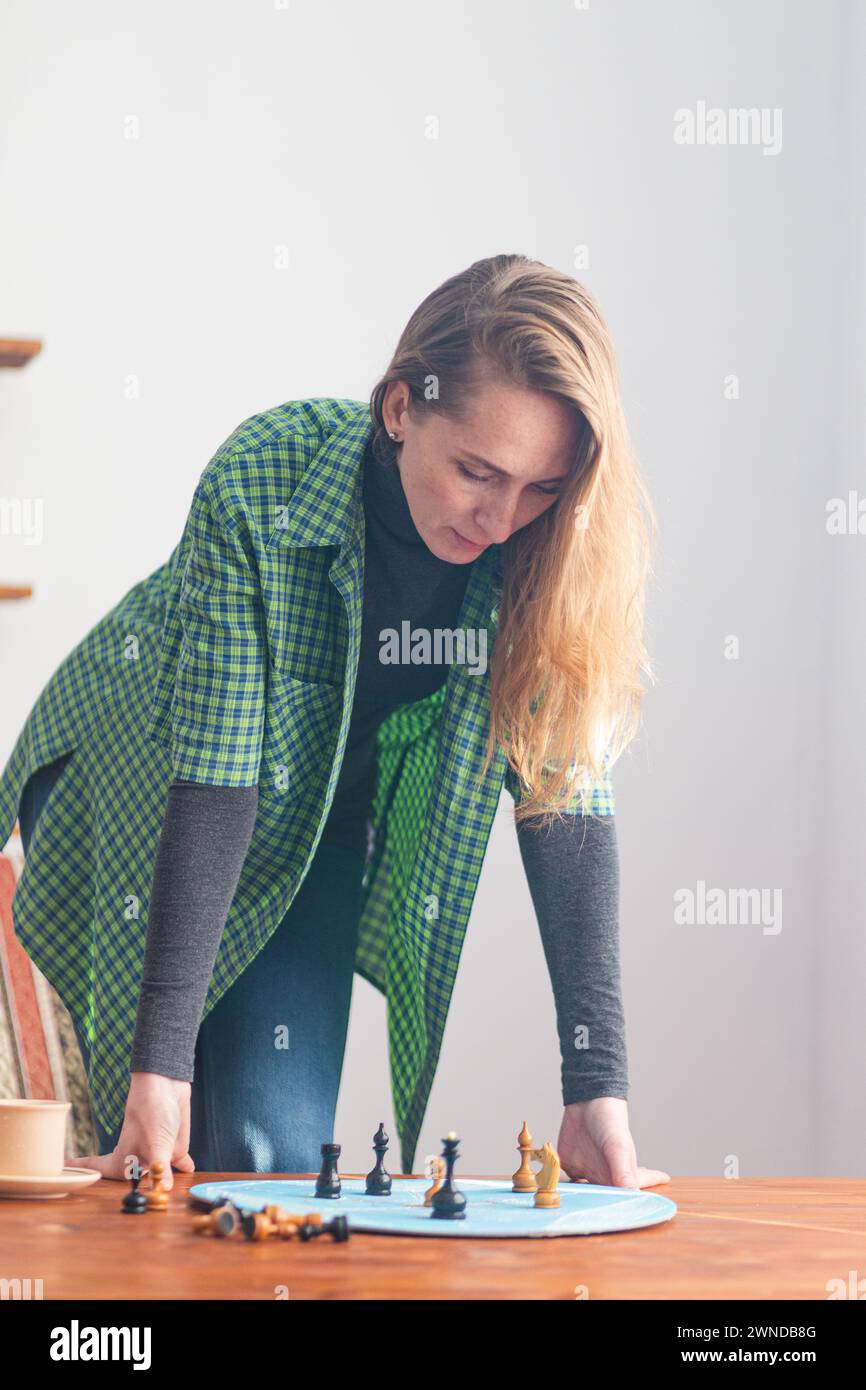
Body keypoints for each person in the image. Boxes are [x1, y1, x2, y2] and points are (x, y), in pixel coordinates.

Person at [2, 253, 669, 1192]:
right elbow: (219, 777)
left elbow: (565, 805)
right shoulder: (262, 477)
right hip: (147, 778)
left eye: (540, 488)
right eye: (477, 471)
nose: (501, 518)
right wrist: (161, 1065)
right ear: (400, 408)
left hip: (314, 827)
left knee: (260, 1161)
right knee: (146, 1128)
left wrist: (597, 1089)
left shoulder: (544, 551)